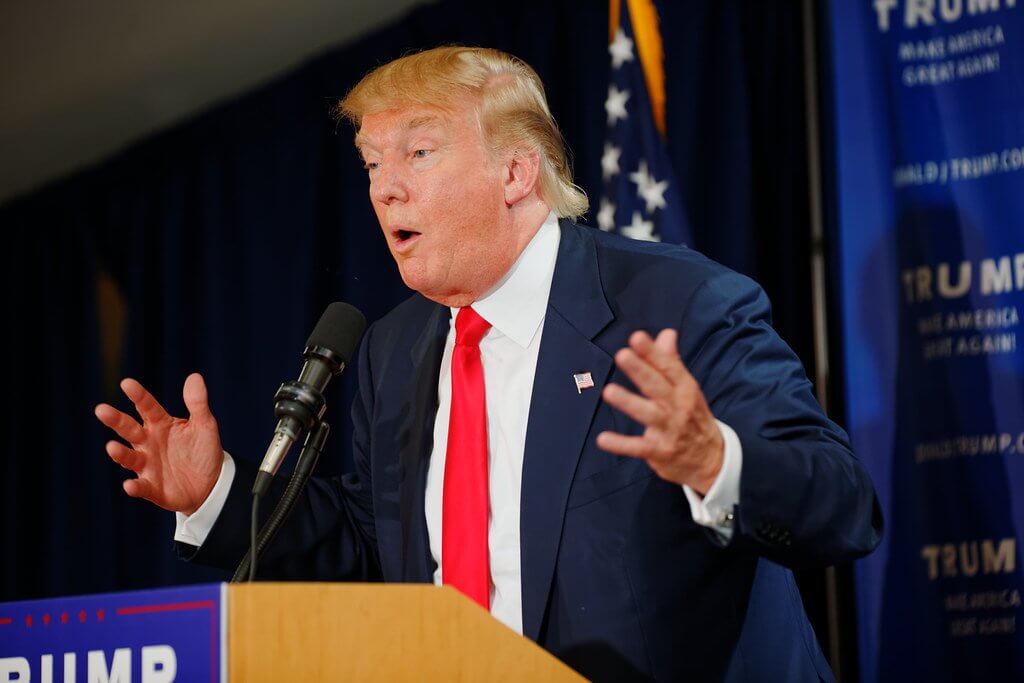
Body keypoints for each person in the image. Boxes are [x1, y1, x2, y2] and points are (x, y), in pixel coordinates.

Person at [95, 46, 881, 681]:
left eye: (419, 151)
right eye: (371, 164)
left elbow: (842, 505)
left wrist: (716, 461)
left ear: (515, 172)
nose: (385, 190)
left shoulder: (679, 301)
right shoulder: (394, 352)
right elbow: (377, 554)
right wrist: (220, 495)